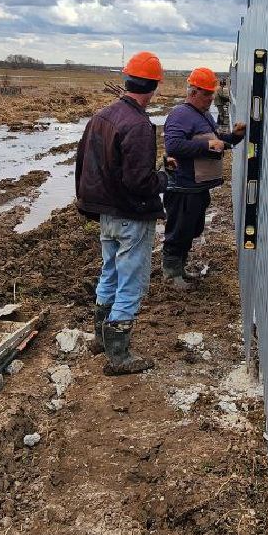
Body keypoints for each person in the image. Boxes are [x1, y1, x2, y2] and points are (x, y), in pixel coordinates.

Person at [74, 51, 167, 374]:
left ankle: (101, 338)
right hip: (131, 215)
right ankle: (119, 356)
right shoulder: (139, 125)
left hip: (106, 215)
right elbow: (140, 182)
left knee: (109, 273)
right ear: (154, 85)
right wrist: (163, 179)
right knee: (131, 281)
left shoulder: (101, 117)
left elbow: (83, 164)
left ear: (126, 79)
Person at [161, 67, 246, 288]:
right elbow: (174, 145)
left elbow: (216, 141)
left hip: (197, 187)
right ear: (193, 92)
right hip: (182, 186)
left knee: (191, 228)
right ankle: (172, 274)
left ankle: (181, 267)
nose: (210, 98)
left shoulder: (205, 115)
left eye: (211, 93)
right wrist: (206, 145)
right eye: (207, 93)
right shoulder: (180, 114)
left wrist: (234, 137)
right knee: (178, 229)